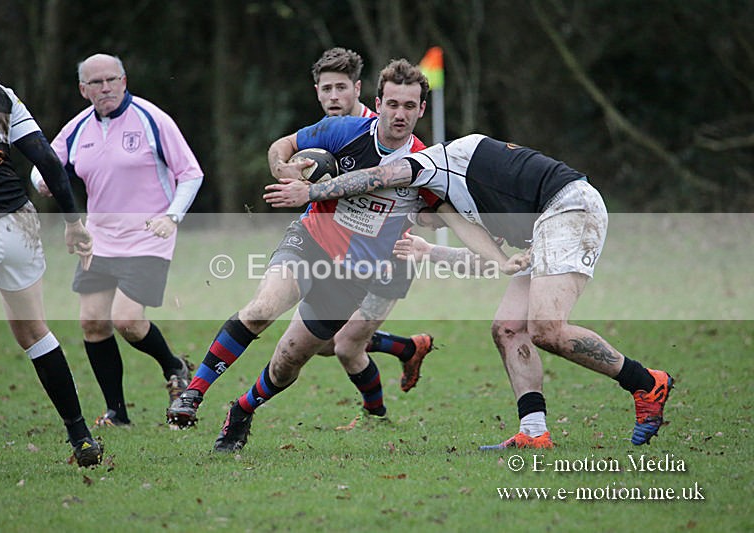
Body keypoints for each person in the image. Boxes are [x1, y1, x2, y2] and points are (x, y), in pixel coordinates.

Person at [263, 133, 675, 448]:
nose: (418, 219)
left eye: (414, 213)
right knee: (508, 328)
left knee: (547, 329)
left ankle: (646, 381)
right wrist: (428, 250)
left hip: (567, 207)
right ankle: (534, 432)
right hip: (545, 227)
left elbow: (378, 175)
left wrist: (311, 191)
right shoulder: (467, 206)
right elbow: (493, 261)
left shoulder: (433, 162)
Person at [168, 59, 431, 450]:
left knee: (289, 359)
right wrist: (284, 168)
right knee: (263, 307)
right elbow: (283, 146)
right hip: (310, 241)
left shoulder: (426, 162)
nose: (399, 114)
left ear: (421, 110)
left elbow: (441, 212)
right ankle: (193, 392)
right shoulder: (343, 130)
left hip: (354, 274)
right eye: (392, 104)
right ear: (378, 102)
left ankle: (241, 409)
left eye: (409, 106)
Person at [0, 16, 102, 483]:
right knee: (34, 330)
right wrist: (75, 221)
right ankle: (81, 435)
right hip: (18, 220)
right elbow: (47, 160)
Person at [32, 53, 203, 427]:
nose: (105, 88)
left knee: (127, 320)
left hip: (148, 236)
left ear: (124, 80)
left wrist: (171, 216)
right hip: (99, 239)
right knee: (93, 323)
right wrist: (40, 181)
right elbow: (40, 162)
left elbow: (191, 173)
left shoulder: (152, 119)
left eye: (112, 79)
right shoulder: (77, 128)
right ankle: (117, 413)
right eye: (96, 82)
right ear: (83, 89)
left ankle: (173, 365)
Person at [311, 47, 434, 393]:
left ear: (358, 90)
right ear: (317, 92)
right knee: (322, 342)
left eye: (341, 88)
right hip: (347, 250)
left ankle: (375, 413)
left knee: (345, 345)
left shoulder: (378, 128)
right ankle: (407, 347)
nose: (334, 97)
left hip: (389, 259)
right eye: (326, 89)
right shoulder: (329, 134)